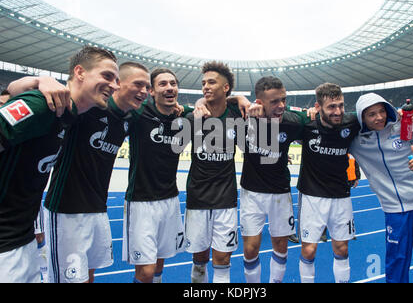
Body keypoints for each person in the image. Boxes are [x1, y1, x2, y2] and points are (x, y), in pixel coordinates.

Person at [0, 45, 120, 283]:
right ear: (80, 72)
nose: (115, 85)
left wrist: (35, 80)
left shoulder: (70, 116)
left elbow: (11, 90)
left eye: (117, 79)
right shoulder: (44, 105)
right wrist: (38, 82)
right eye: (107, 76)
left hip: (23, 242)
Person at [350, 92, 413, 283]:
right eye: (371, 114)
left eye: (381, 111)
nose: (379, 117)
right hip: (395, 211)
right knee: (396, 266)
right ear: (361, 117)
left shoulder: (406, 124)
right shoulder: (355, 140)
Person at [239, 76, 311, 283]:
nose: (281, 106)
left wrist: (315, 112)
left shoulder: (293, 121)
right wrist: (239, 98)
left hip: (280, 192)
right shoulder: (244, 117)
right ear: (259, 103)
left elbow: (322, 120)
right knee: (251, 248)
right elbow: (217, 103)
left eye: (283, 100)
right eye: (274, 102)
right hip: (251, 192)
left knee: (281, 246)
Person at [123, 68, 190, 283]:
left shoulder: (183, 117)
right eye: (163, 84)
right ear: (151, 91)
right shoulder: (139, 113)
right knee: (146, 272)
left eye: (173, 83)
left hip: (170, 200)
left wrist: (239, 99)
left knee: (160, 263)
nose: (169, 87)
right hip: (141, 202)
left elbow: (212, 104)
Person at [184, 61, 243, 283]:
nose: (205, 87)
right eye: (203, 83)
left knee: (223, 259)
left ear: (226, 88)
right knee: (199, 259)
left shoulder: (237, 118)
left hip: (226, 199)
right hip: (197, 199)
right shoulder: (192, 118)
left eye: (211, 82)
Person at [297, 83, 360, 283]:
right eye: (332, 107)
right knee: (309, 250)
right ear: (318, 106)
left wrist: (401, 114)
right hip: (311, 195)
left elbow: (379, 115)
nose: (338, 111)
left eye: (341, 105)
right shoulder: (306, 125)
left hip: (341, 195)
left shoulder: (351, 123)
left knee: (342, 248)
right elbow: (277, 112)